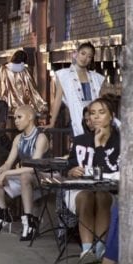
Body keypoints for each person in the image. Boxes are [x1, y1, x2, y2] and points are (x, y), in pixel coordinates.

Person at [64, 98, 119, 262]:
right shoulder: (80, 140)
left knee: (101, 196)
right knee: (87, 196)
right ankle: (87, 251)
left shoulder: (121, 142)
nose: (96, 117)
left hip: (110, 192)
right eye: (92, 113)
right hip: (80, 191)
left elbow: (106, 172)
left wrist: (99, 146)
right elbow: (70, 165)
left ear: (111, 116)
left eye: (101, 113)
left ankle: (101, 249)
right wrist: (71, 170)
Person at [0, 105, 50, 241]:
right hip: (24, 174)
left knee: (25, 176)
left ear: (30, 117)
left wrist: (8, 173)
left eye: (19, 117)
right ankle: (3, 215)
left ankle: (30, 222)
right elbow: (9, 162)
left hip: (44, 176)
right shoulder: (18, 138)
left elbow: (35, 167)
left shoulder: (41, 137)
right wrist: (1, 171)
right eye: (15, 117)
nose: (16, 121)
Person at [47, 42, 105, 136]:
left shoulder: (96, 77)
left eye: (89, 56)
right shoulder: (63, 75)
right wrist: (52, 123)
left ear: (91, 60)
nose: (84, 58)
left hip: (97, 120)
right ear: (76, 53)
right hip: (78, 120)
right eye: (83, 53)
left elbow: (101, 101)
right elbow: (57, 100)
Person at [0, 50, 47, 114]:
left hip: (7, 108)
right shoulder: (25, 71)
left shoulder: (3, 69)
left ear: (13, 57)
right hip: (23, 108)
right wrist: (41, 106)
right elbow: (32, 90)